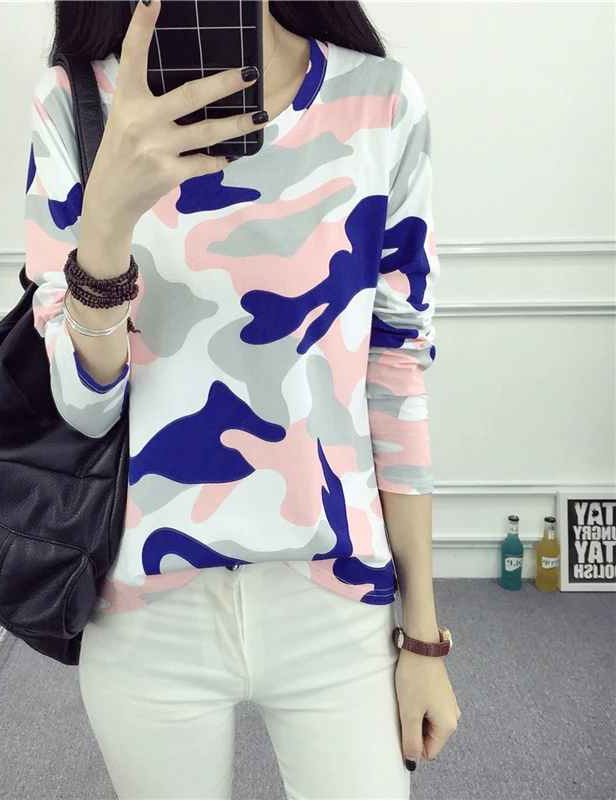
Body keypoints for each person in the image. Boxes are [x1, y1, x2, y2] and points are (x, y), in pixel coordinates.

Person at [25, 0, 460, 796]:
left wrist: (424, 637)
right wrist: (108, 218)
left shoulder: (380, 100)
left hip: (337, 597)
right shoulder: (77, 103)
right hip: (145, 606)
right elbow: (85, 404)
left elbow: (395, 375)